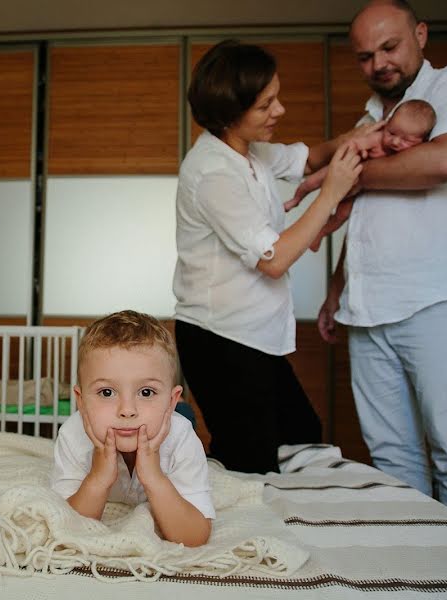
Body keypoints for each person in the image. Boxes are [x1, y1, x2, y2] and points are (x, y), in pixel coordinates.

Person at [317, 0, 447, 533]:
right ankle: (419, 574)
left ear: (420, 34)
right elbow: (363, 223)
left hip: (444, 300)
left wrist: (349, 177)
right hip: (369, 310)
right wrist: (336, 290)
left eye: (390, 46)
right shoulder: (370, 121)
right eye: (365, 56)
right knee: (393, 461)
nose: (378, 63)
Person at [173, 41, 367, 475]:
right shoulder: (212, 172)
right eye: (265, 105)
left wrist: (361, 136)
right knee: (252, 460)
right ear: (229, 113)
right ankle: (221, 533)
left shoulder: (250, 150)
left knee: (299, 432)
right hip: (219, 336)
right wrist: (332, 190)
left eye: (276, 96)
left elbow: (310, 156)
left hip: (252, 334)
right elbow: (274, 259)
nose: (279, 110)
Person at [50, 310, 213, 547]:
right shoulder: (72, 435)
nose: (127, 410)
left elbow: (194, 536)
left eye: (146, 392)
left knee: (184, 417)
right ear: (81, 401)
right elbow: (65, 529)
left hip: (173, 419)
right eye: (107, 392)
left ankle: (181, 408)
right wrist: (97, 479)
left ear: (170, 400)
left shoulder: (181, 438)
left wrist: (155, 478)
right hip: (150, 420)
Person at [286, 99, 437, 251]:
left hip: (356, 188)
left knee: (341, 216)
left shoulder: (413, 156)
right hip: (345, 168)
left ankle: (320, 234)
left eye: (407, 140)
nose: (396, 141)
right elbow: (353, 143)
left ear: (422, 142)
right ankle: (296, 199)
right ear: (386, 123)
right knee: (310, 182)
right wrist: (360, 149)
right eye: (391, 133)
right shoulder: (377, 139)